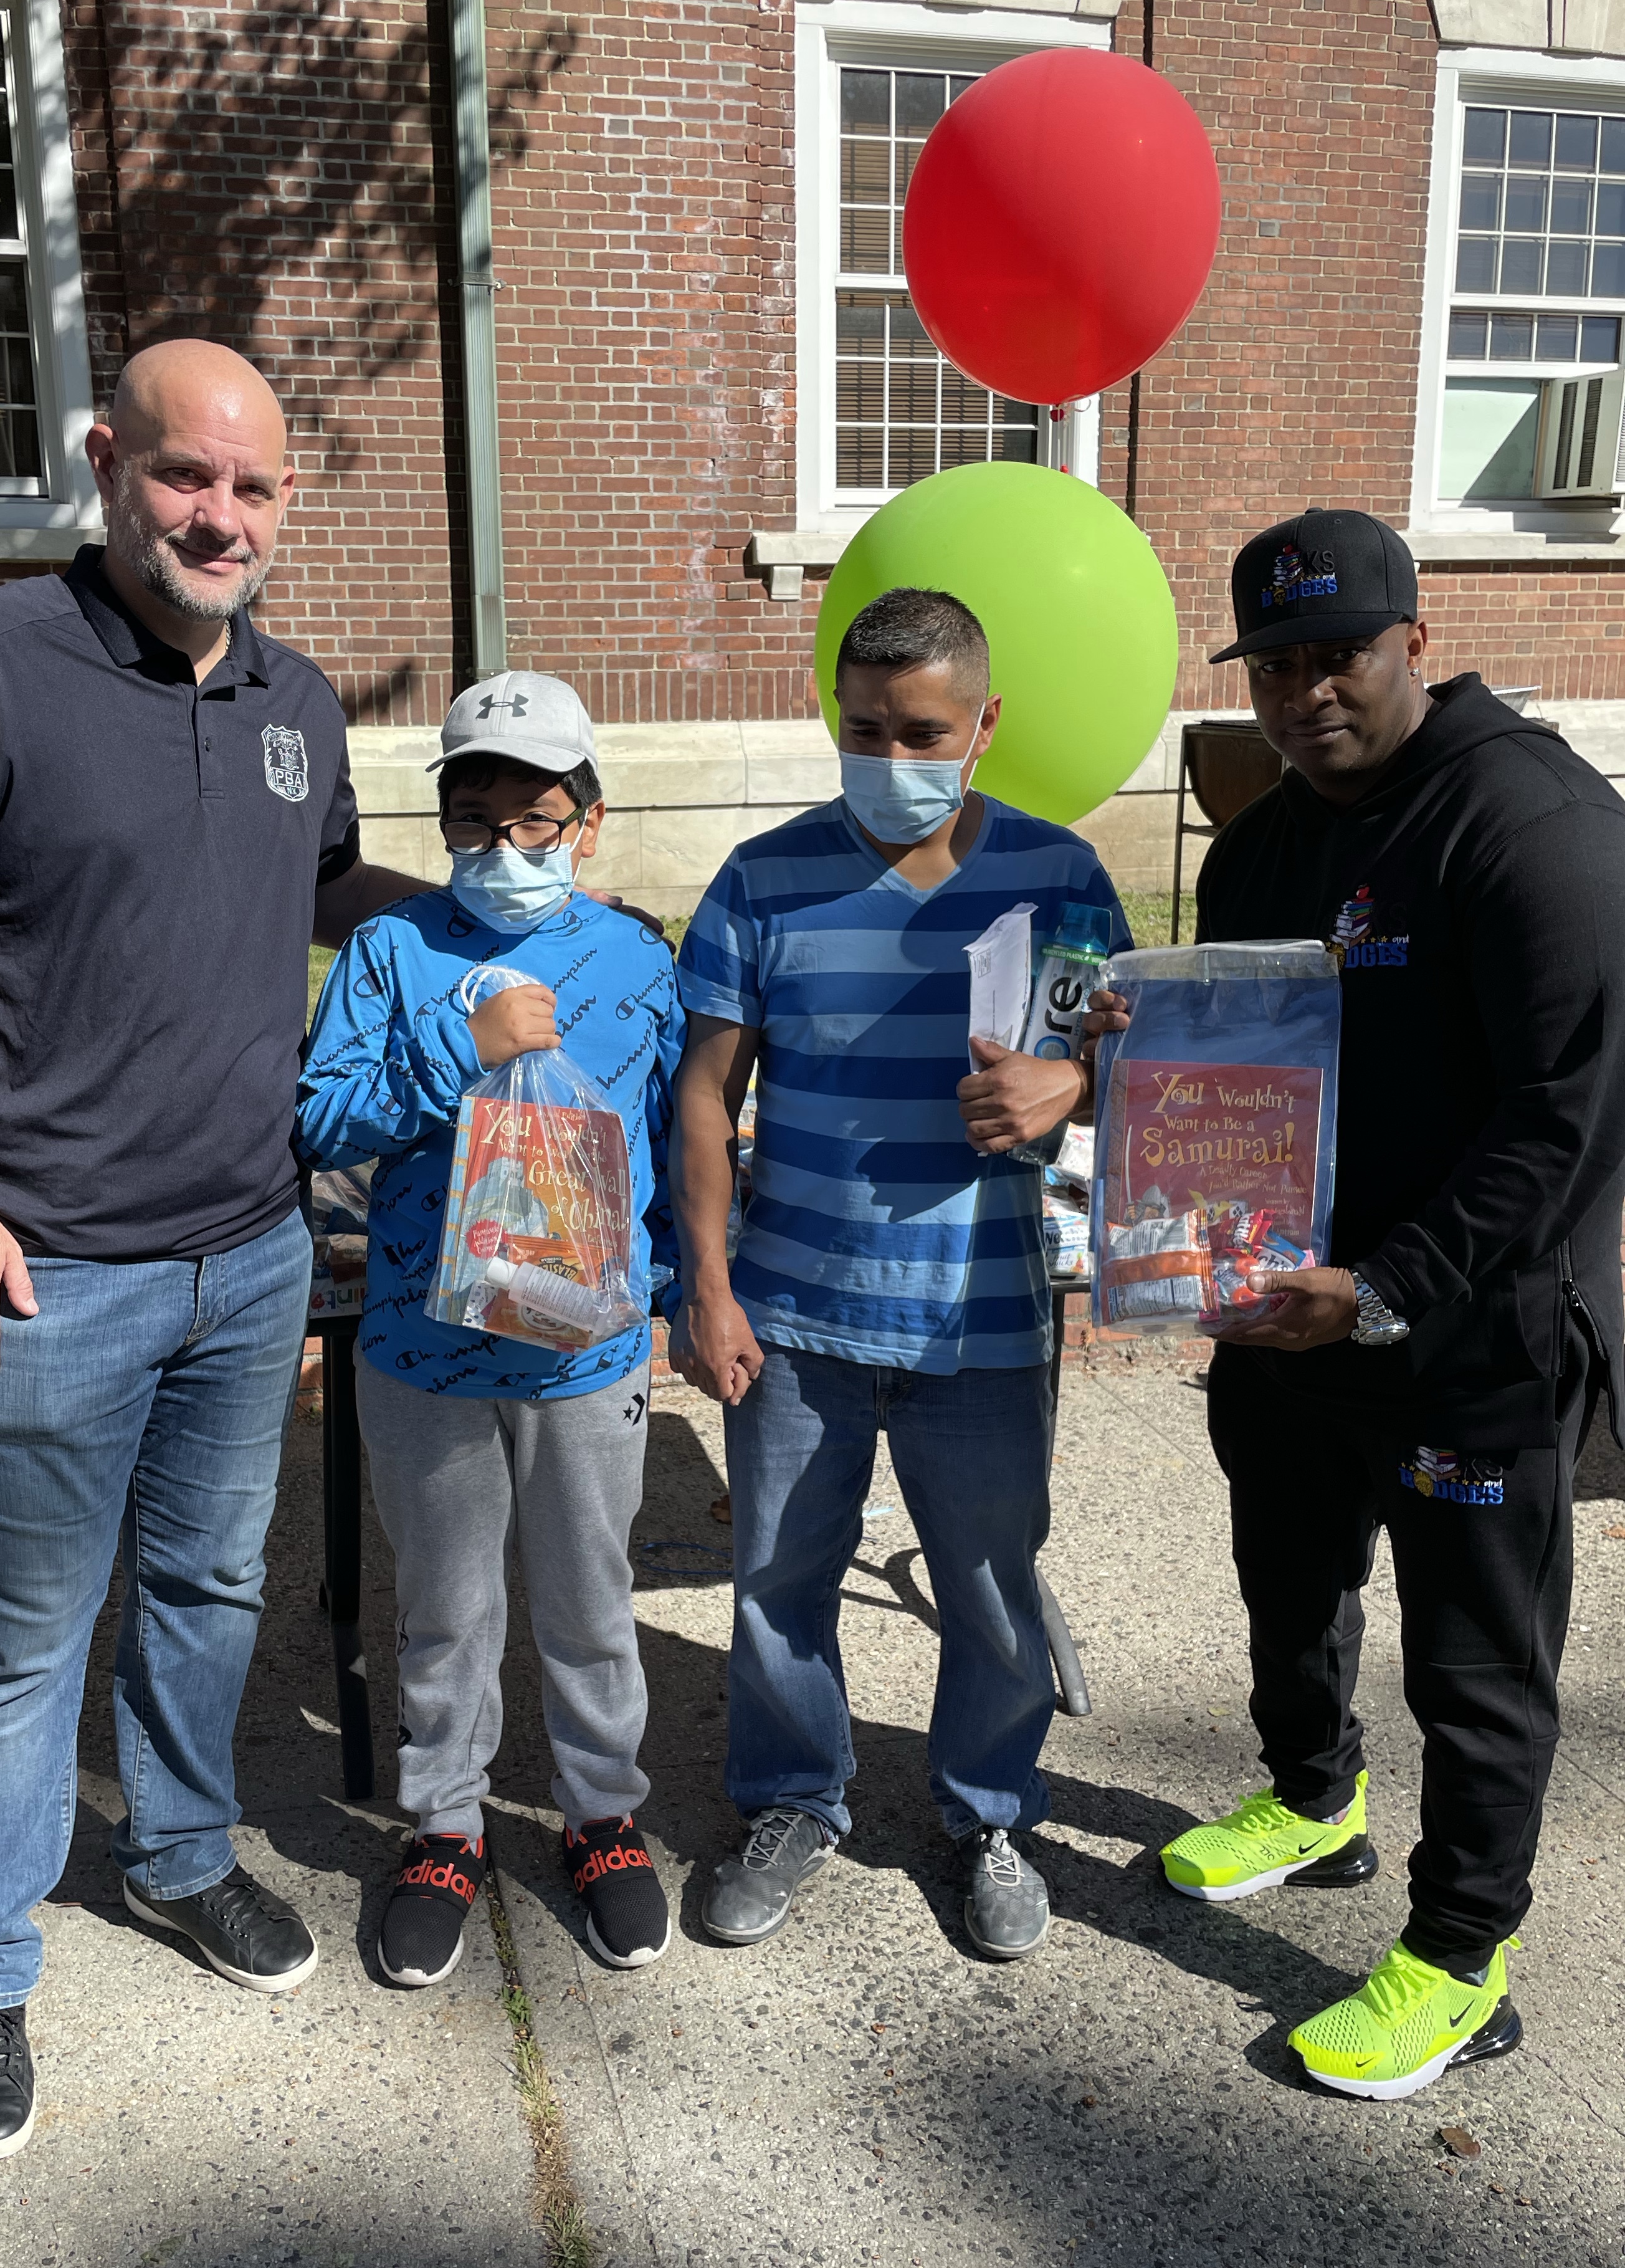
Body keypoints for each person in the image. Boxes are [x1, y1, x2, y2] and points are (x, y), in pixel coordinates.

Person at [0, 340, 426, 2165]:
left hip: (248, 1256)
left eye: (253, 487)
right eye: (184, 475)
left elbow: (321, 885)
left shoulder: (297, 701)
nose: (219, 517)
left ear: (288, 503)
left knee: (209, 1590)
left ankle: (174, 1855)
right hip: (43, 1273)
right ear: (107, 460)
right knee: (20, 1646)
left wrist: (499, 916)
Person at [1150, 507, 1625, 2098]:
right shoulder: (1264, 845)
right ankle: (1313, 1800)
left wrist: (1386, 1291)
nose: (1304, 694)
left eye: (1338, 655)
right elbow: (1222, 1071)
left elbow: (1568, 1120)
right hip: (1287, 1316)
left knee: (1475, 1666)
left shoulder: (1533, 821)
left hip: (1470, 1337)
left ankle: (1462, 1959)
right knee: (1288, 1583)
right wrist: (1160, 1169)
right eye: (1272, 666)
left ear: (1416, 639)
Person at [667, 588, 1130, 1956]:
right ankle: (792, 1798)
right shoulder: (762, 879)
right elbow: (705, 1097)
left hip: (982, 1318)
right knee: (778, 1584)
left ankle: (990, 1813)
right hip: (793, 1316)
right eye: (863, 728)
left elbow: (1120, 1069)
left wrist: (1071, 1083)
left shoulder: (1059, 880)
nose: (890, 756)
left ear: (984, 726)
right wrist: (707, 1287)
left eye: (922, 732)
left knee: (992, 1587)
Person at [297, 672, 683, 1985]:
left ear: (588, 823)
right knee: (448, 1611)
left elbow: (669, 1144)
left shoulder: (637, 960)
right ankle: (445, 1828)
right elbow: (320, 1122)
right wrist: (460, 1049)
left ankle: (602, 1818)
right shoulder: (391, 952)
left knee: (591, 1602)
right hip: (427, 1350)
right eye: (474, 821)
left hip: (587, 1351)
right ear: (444, 823)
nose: (504, 848)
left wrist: (673, 1288)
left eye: (535, 822)